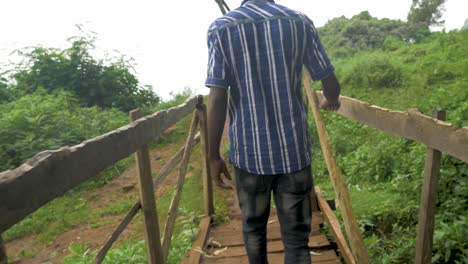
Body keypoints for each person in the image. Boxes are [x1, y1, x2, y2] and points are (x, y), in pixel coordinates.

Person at [205, 0, 341, 263]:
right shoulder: (299, 22)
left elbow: (217, 95)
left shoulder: (222, 28)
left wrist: (213, 155)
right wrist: (331, 99)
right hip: (294, 153)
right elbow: (329, 79)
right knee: (297, 239)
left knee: (254, 229)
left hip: (248, 155)